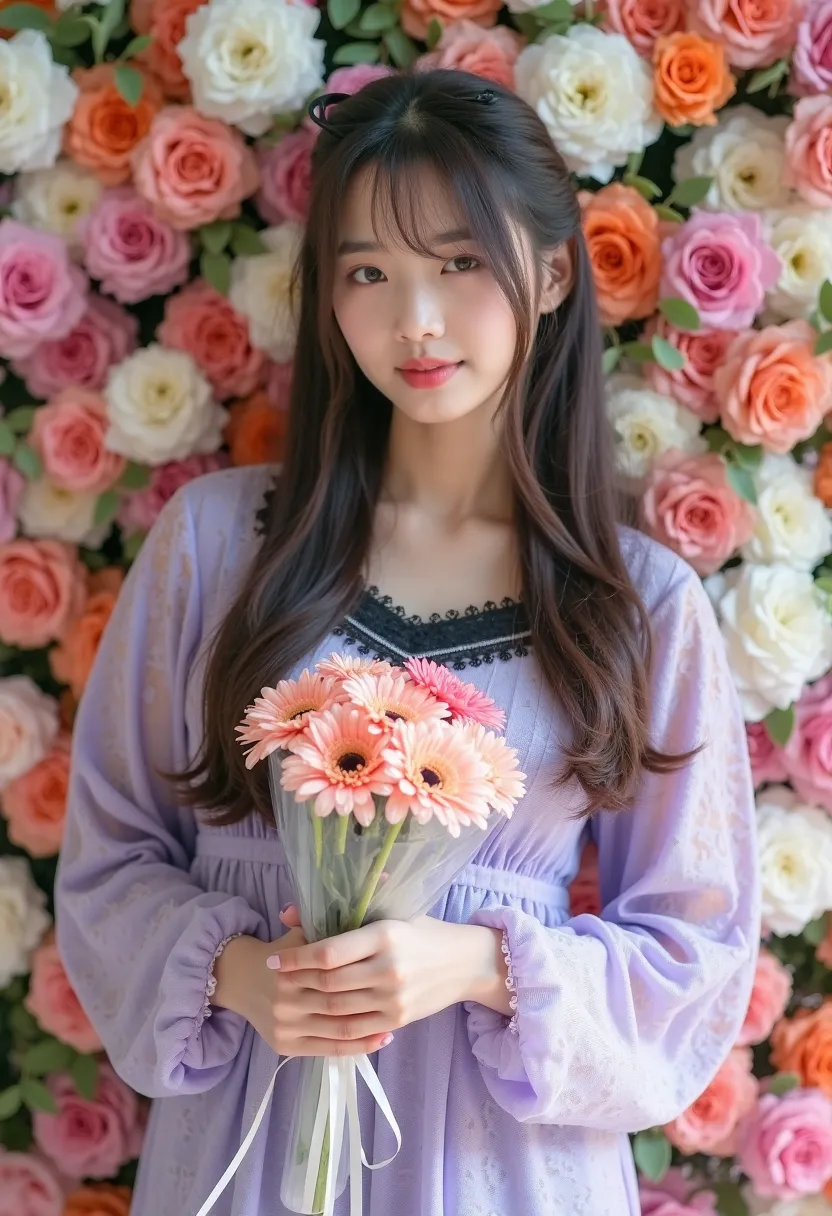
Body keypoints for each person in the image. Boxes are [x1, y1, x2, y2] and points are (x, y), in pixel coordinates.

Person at [55, 69, 760, 1216]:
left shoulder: (637, 605)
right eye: (367, 273)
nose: (414, 320)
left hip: (507, 1170)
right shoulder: (217, 546)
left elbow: (695, 951)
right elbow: (110, 855)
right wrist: (243, 975)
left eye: (458, 262)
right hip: (246, 1142)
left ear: (547, 269)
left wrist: (479, 965)